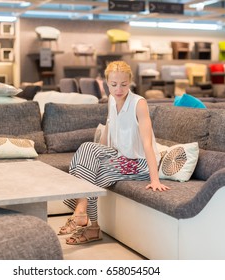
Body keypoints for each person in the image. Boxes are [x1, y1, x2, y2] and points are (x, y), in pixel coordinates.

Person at [59, 60, 170, 245]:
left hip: (138, 162)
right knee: (87, 150)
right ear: (106, 83)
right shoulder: (111, 99)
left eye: (124, 85)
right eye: (113, 84)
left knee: (93, 171)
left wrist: (155, 179)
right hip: (119, 157)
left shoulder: (139, 104)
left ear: (130, 82)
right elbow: (109, 127)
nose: (118, 89)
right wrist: (99, 152)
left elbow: (147, 143)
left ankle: (86, 218)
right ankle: (86, 219)